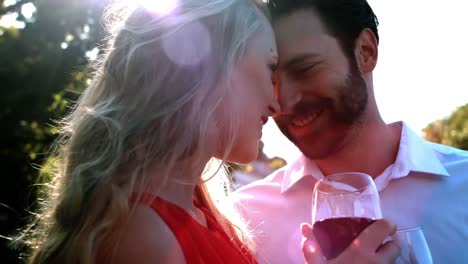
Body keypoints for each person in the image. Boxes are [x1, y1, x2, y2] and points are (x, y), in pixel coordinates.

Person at [12, 0, 399, 263]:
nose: (277, 101)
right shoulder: (142, 235)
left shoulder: (204, 213)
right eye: (269, 69)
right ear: (207, 70)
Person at [231, 0, 468, 263]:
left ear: (366, 52)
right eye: (271, 81)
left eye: (305, 69)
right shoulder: (245, 218)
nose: (283, 101)